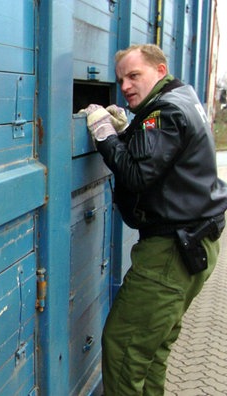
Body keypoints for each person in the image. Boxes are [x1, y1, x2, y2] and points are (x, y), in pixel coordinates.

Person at [82, 44, 227, 395]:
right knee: (152, 349)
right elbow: (161, 153)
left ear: (160, 71)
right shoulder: (183, 98)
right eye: (121, 80)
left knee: (124, 348)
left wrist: (105, 135)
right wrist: (129, 131)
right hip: (195, 244)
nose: (126, 86)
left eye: (135, 75)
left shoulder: (165, 113)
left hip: (170, 252)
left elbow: (135, 173)